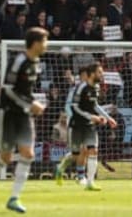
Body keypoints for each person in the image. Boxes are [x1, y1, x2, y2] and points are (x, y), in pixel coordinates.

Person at [0, 28, 48, 213]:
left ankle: (14, 198)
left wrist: (32, 103)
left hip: (23, 114)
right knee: (5, 157)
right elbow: (8, 89)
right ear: (35, 43)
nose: (47, 45)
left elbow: (26, 91)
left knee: (28, 154)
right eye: (45, 41)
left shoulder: (37, 63)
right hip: (7, 113)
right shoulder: (19, 61)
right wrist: (31, 104)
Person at [69, 62, 117, 191]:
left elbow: (95, 106)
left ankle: (89, 182)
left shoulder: (96, 88)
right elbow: (74, 107)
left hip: (90, 124)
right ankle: (62, 167)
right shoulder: (81, 88)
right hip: (78, 124)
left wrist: (108, 118)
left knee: (92, 150)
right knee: (76, 154)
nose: (102, 75)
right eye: (100, 72)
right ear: (92, 74)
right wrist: (91, 117)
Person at [55, 66, 88, 186]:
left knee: (84, 149)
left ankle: (81, 177)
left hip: (85, 122)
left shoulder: (89, 89)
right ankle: (62, 167)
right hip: (74, 122)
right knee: (77, 152)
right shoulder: (74, 90)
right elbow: (68, 106)